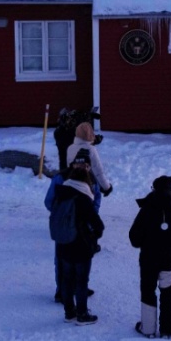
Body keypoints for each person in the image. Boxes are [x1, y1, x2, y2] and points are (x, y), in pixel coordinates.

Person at [129, 175, 171, 338]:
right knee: (167, 294)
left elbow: (134, 238)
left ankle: (148, 329)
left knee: (148, 291)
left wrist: (146, 243)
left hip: (148, 260)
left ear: (154, 189)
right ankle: (167, 330)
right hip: (170, 260)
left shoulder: (146, 210)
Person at [44, 151, 101, 303]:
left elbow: (96, 199)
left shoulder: (92, 180)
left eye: (85, 165)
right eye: (78, 164)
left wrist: (90, 216)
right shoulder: (61, 178)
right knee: (62, 259)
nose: (81, 168)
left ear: (89, 167)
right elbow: (49, 201)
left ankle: (79, 287)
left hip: (83, 227)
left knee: (82, 258)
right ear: (73, 164)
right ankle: (61, 291)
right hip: (65, 225)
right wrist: (63, 215)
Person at [54, 161, 104, 325]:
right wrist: (93, 237)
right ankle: (82, 314)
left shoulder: (61, 194)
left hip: (63, 242)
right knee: (81, 280)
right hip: (81, 245)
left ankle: (69, 312)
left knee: (67, 278)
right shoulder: (83, 199)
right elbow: (98, 225)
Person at [67, 122, 113, 197]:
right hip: (87, 182)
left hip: (72, 182)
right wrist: (107, 187)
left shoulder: (70, 148)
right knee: (96, 196)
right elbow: (98, 172)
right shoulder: (91, 149)